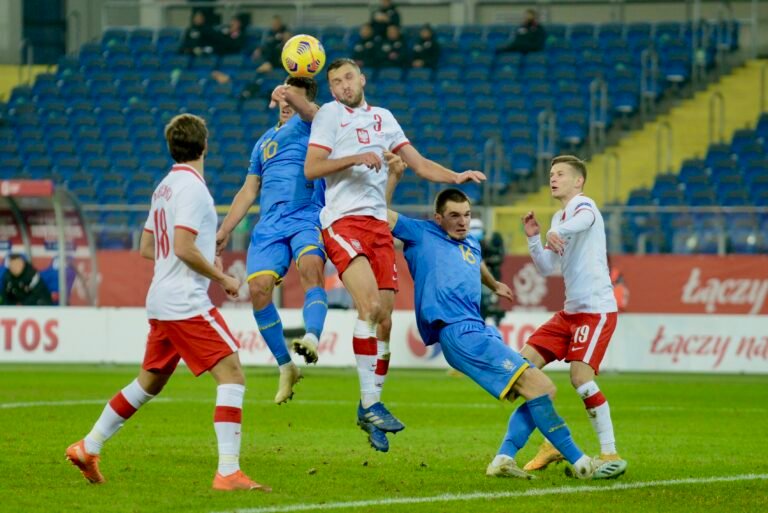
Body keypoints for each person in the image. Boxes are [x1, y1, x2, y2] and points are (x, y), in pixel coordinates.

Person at [66, 114, 270, 492]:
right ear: (205, 146)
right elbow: (182, 246)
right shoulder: (193, 190)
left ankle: (88, 446)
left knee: (148, 383)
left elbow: (148, 247)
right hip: (184, 302)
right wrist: (222, 276)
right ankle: (228, 472)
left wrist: (198, 256)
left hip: (162, 298)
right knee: (232, 374)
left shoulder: (164, 187)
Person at [386, 181, 626, 480]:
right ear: (438, 218)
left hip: (477, 329)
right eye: (454, 216)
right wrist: (394, 177)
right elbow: (379, 214)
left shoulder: (470, 242)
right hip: (459, 332)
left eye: (466, 215)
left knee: (533, 389)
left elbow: (476, 261)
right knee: (544, 388)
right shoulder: (421, 233)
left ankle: (504, 458)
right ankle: (580, 462)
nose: (462, 222)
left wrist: (493, 284)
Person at [304, 57, 486, 452]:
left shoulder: (384, 118)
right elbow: (312, 168)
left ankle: (367, 406)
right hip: (342, 221)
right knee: (369, 308)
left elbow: (418, 163)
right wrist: (356, 157)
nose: (343, 86)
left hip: (376, 225)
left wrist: (455, 176)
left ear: (362, 78)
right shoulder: (330, 116)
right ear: (331, 89)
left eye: (348, 77)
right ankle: (371, 403)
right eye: (335, 82)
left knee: (384, 320)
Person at [216, 77, 328, 405]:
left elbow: (315, 113)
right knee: (260, 289)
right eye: (283, 92)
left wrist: (299, 100)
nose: (286, 99)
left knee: (311, 268)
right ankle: (286, 366)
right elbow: (249, 190)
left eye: (294, 95)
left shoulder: (315, 127)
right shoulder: (263, 142)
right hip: (269, 225)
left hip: (305, 215)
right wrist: (224, 230)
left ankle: (311, 337)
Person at [519, 155, 627, 474]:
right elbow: (546, 267)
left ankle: (609, 455)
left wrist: (559, 230)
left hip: (595, 310)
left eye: (560, 174)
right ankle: (555, 442)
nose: (553, 178)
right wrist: (533, 237)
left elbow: (583, 221)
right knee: (520, 370)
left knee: (580, 379)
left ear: (578, 181)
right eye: (551, 174)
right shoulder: (558, 218)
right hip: (570, 314)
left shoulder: (585, 206)